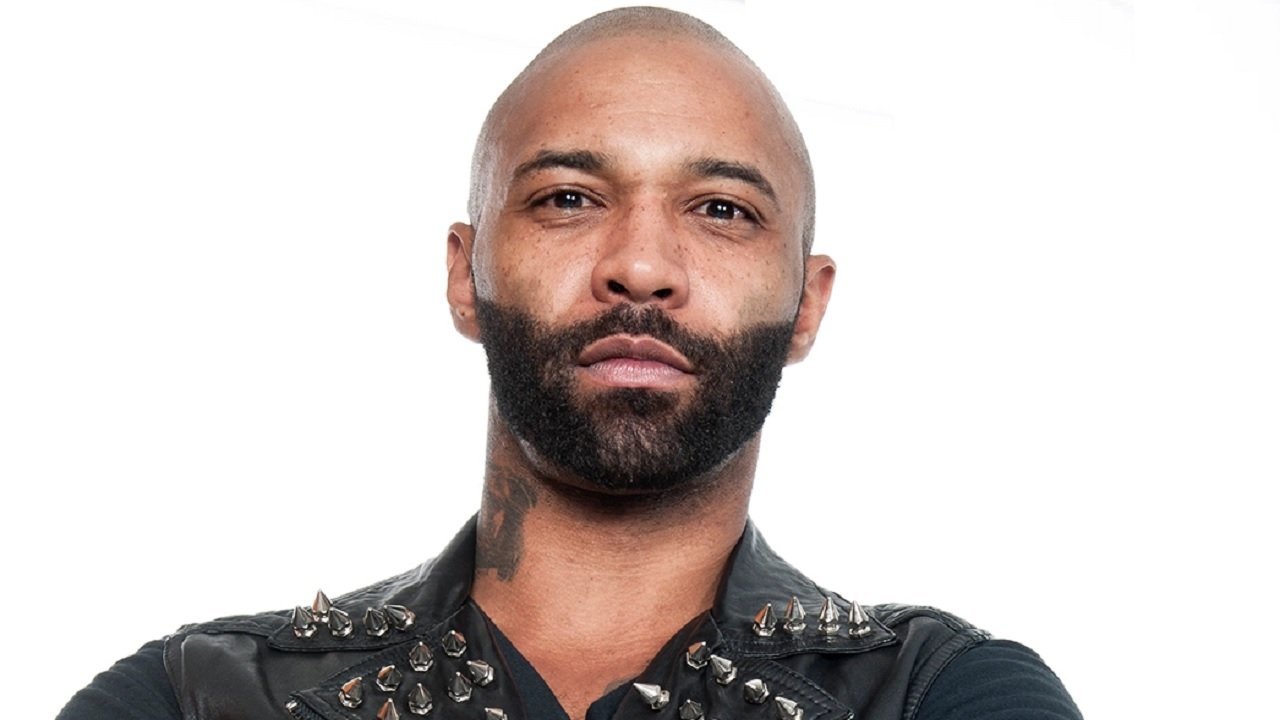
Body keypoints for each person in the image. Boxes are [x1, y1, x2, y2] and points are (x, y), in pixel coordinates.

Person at [58, 7, 1081, 720]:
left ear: (807, 302)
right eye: (568, 199)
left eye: (721, 210)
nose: (642, 266)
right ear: (465, 276)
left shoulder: (939, 695)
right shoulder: (198, 698)